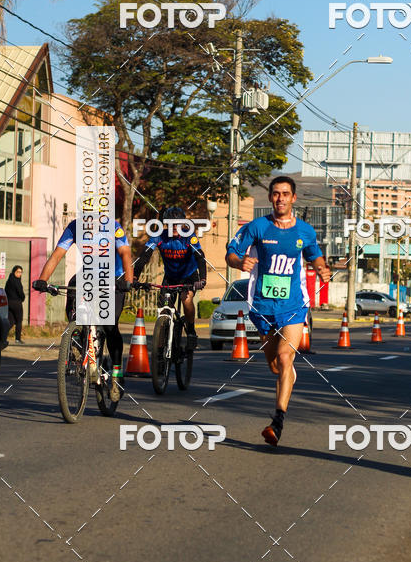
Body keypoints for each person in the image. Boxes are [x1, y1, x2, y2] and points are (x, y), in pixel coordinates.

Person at [226, 175, 331, 447]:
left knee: (285, 358)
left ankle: (278, 422)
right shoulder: (257, 227)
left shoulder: (305, 231)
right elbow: (231, 252)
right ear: (270, 197)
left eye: (285, 193)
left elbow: (314, 255)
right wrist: (239, 263)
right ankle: (288, 374)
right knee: (275, 365)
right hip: (262, 305)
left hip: (294, 305)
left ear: (293, 198)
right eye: (275, 193)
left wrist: (321, 268)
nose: (280, 198)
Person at [33, 218, 133, 401]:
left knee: (110, 326)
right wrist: (42, 280)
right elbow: (57, 255)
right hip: (88, 275)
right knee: (72, 289)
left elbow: (125, 253)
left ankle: (117, 374)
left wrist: (127, 281)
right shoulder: (74, 227)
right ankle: (78, 336)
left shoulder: (113, 227)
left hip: (114, 277)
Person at [133, 206, 207, 349]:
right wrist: (135, 277)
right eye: (170, 224)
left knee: (186, 299)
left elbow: (200, 257)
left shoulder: (189, 237)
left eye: (177, 224)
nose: (174, 227)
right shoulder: (159, 236)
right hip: (171, 276)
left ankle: (191, 331)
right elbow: (144, 257)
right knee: (163, 307)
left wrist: (202, 279)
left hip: (189, 276)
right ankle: (162, 341)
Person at [5, 265, 25, 344]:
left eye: (21, 272)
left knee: (11, 321)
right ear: (14, 272)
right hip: (16, 304)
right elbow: (20, 292)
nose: (19, 274)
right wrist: (22, 298)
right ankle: (17, 339)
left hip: (9, 303)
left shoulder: (9, 280)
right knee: (19, 321)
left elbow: (5, 291)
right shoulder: (16, 281)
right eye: (18, 272)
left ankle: (2, 337)